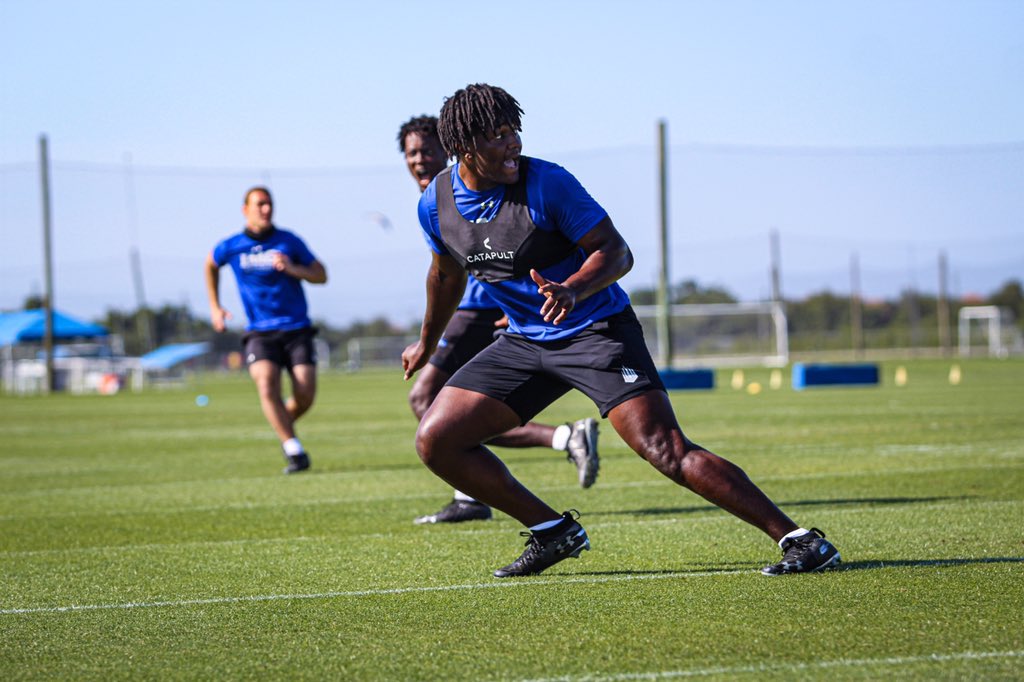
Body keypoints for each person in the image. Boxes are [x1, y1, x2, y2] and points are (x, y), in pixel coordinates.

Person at [402, 84, 842, 578]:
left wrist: (572, 288)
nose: (514, 143)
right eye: (499, 135)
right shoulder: (435, 203)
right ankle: (552, 532)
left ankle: (799, 540)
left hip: (597, 331)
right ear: (465, 148)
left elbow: (616, 252)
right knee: (436, 440)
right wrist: (427, 341)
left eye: (515, 130)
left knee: (665, 449)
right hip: (525, 341)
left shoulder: (547, 184)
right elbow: (444, 276)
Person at [398, 114, 600, 525]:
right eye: (411, 153)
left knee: (427, 401)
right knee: (456, 411)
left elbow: (490, 260)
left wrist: (432, 339)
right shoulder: (433, 202)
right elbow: (443, 269)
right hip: (490, 310)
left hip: (478, 310)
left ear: (453, 149)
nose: (420, 160)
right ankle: (496, 480)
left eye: (428, 151)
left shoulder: (491, 184)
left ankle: (544, 451)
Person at [205, 187, 328, 474]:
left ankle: (281, 423)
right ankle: (294, 451)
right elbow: (210, 263)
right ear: (244, 209)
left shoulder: (289, 241)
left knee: (305, 393)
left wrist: (294, 269)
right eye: (259, 204)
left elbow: (321, 275)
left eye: (269, 204)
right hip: (260, 332)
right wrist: (215, 307)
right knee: (266, 383)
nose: (265, 209)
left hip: (297, 329)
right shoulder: (233, 245)